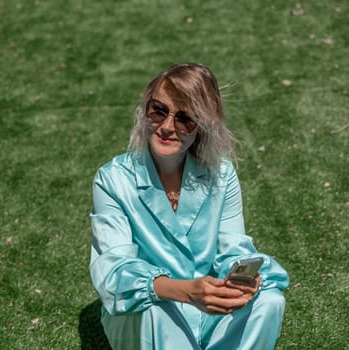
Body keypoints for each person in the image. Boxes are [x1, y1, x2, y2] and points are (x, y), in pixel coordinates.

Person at [89, 63, 289, 349]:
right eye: (158, 110)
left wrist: (243, 279)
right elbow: (114, 274)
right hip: (150, 312)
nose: (168, 127)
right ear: (145, 109)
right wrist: (186, 292)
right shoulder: (112, 180)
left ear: (204, 126)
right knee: (152, 309)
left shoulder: (222, 174)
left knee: (268, 300)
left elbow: (234, 249)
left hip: (207, 308)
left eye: (185, 119)